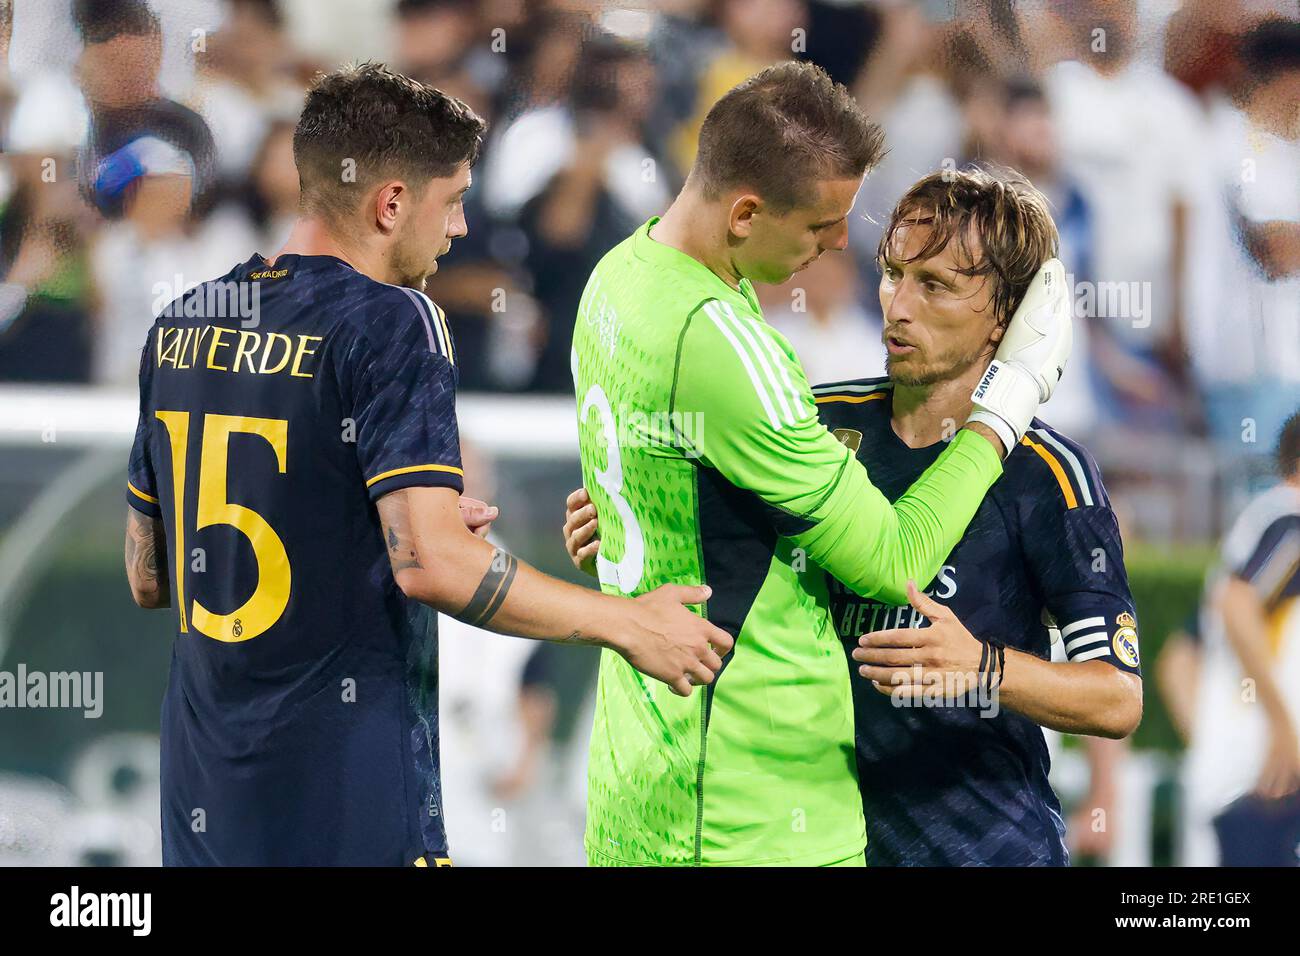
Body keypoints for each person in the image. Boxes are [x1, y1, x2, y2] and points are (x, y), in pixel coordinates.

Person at [122, 62, 732, 867]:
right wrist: (630, 623)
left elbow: (149, 575)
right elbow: (434, 567)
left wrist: (377, 529)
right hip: (345, 803)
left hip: (206, 806)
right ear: (391, 204)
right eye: (452, 202)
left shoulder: (183, 323)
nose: (462, 230)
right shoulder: (394, 320)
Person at [567, 62, 1070, 866]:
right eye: (818, 225)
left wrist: (628, 502)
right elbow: (894, 559)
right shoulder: (725, 346)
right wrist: (1008, 406)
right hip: (751, 812)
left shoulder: (618, 280)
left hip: (645, 788)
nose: (841, 245)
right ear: (744, 213)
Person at [1182, 411, 1300, 866]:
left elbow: (1178, 658)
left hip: (1241, 775)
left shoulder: (1256, 528)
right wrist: (1282, 726)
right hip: (1265, 781)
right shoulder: (1290, 517)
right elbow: (1236, 605)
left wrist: (1212, 740)